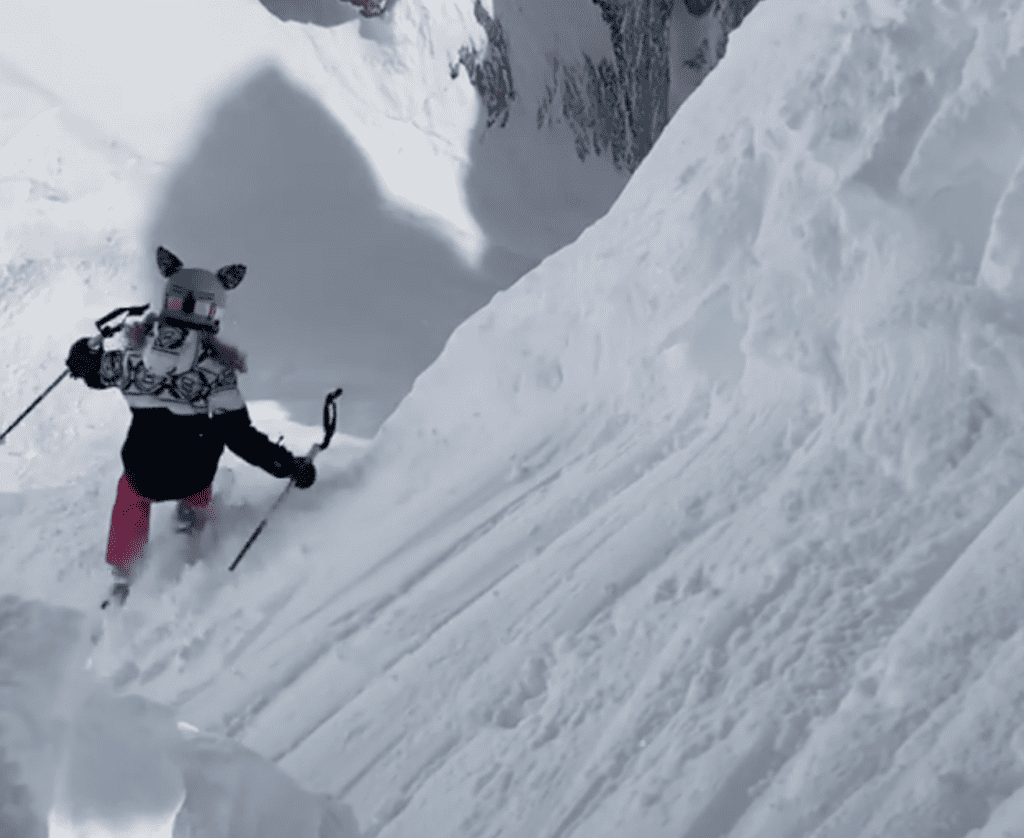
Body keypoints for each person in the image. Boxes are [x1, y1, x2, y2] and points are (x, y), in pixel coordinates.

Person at [66, 246, 316, 607]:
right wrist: (289, 466)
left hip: (142, 473)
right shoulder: (217, 372)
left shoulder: (133, 358)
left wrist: (81, 355)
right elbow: (241, 438)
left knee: (131, 489)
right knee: (211, 434)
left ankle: (123, 577)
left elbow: (90, 371)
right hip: (192, 474)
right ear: (213, 312)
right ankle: (190, 519)